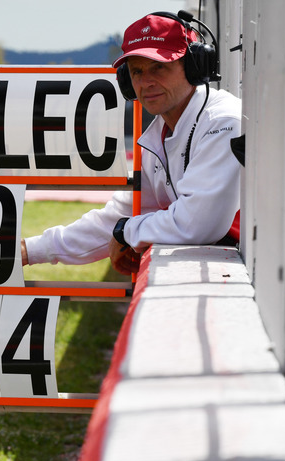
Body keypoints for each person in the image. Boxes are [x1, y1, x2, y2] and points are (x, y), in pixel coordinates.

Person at [21, 11, 242, 275]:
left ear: (195, 66)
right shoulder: (159, 134)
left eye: (159, 66)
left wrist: (126, 231)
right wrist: (29, 250)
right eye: (136, 71)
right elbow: (115, 218)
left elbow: (196, 223)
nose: (146, 82)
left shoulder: (223, 120)